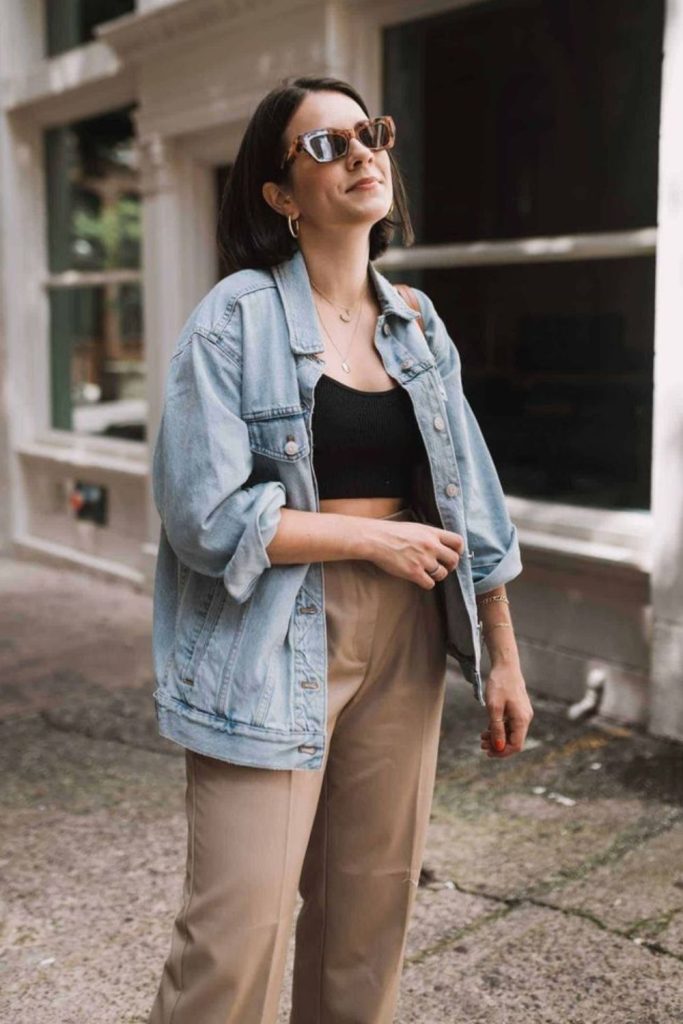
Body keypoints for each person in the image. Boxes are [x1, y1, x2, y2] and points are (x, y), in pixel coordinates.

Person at [147, 74, 534, 1024]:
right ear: (279, 195)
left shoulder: (415, 320)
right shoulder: (232, 320)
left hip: (403, 633)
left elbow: (470, 500)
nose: (362, 154)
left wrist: (502, 656)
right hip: (270, 637)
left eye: (370, 134)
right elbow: (203, 518)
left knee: (367, 926)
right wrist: (371, 537)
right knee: (231, 941)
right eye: (326, 145)